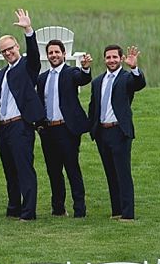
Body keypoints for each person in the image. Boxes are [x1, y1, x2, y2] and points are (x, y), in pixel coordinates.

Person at [0, 9, 43, 221]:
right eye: (3, 51)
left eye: (10, 49)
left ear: (17, 47)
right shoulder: (0, 74)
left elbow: (34, 56)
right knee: (9, 169)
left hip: (20, 126)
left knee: (24, 169)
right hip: (3, 127)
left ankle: (28, 211)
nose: (7, 53)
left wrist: (28, 30)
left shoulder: (27, 66)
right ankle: (14, 207)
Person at [87, 44, 145, 222]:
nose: (111, 60)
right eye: (108, 57)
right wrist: (92, 129)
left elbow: (139, 84)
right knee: (110, 173)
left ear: (121, 59)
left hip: (119, 131)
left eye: (114, 57)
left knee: (123, 173)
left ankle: (128, 214)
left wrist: (134, 67)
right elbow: (93, 107)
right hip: (102, 133)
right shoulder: (97, 81)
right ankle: (116, 211)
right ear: (104, 59)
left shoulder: (127, 78)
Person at [36, 41, 93, 219]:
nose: (54, 55)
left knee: (72, 169)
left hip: (67, 129)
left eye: (57, 52)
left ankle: (79, 209)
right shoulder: (42, 78)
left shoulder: (71, 73)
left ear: (63, 54)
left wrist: (85, 68)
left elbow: (83, 79)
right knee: (53, 171)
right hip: (48, 130)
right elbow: (39, 102)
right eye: (50, 53)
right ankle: (58, 208)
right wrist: (39, 125)